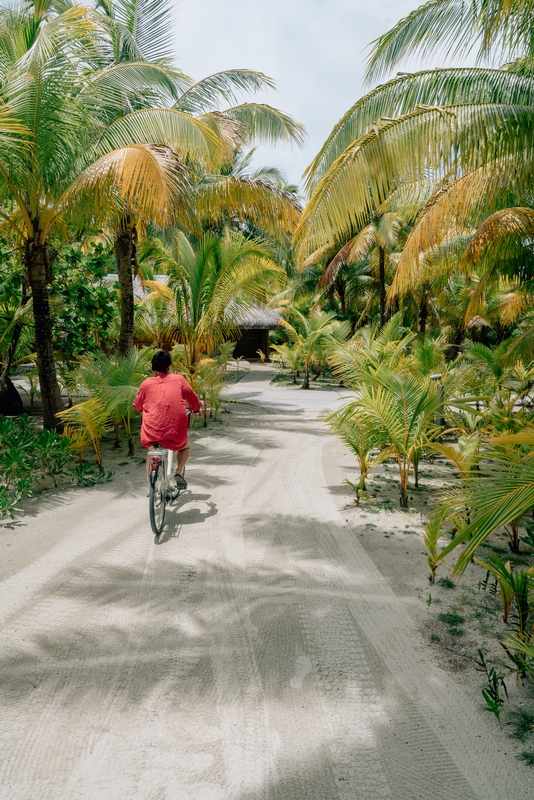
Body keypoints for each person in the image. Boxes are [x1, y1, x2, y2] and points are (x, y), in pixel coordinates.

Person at [133, 350, 201, 488]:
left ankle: (150, 487)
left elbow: (138, 406)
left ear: (154, 366)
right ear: (169, 366)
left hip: (152, 432)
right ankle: (178, 471)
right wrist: (196, 408)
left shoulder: (145, 384)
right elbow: (193, 399)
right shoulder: (179, 380)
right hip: (175, 431)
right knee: (185, 447)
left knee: (151, 452)